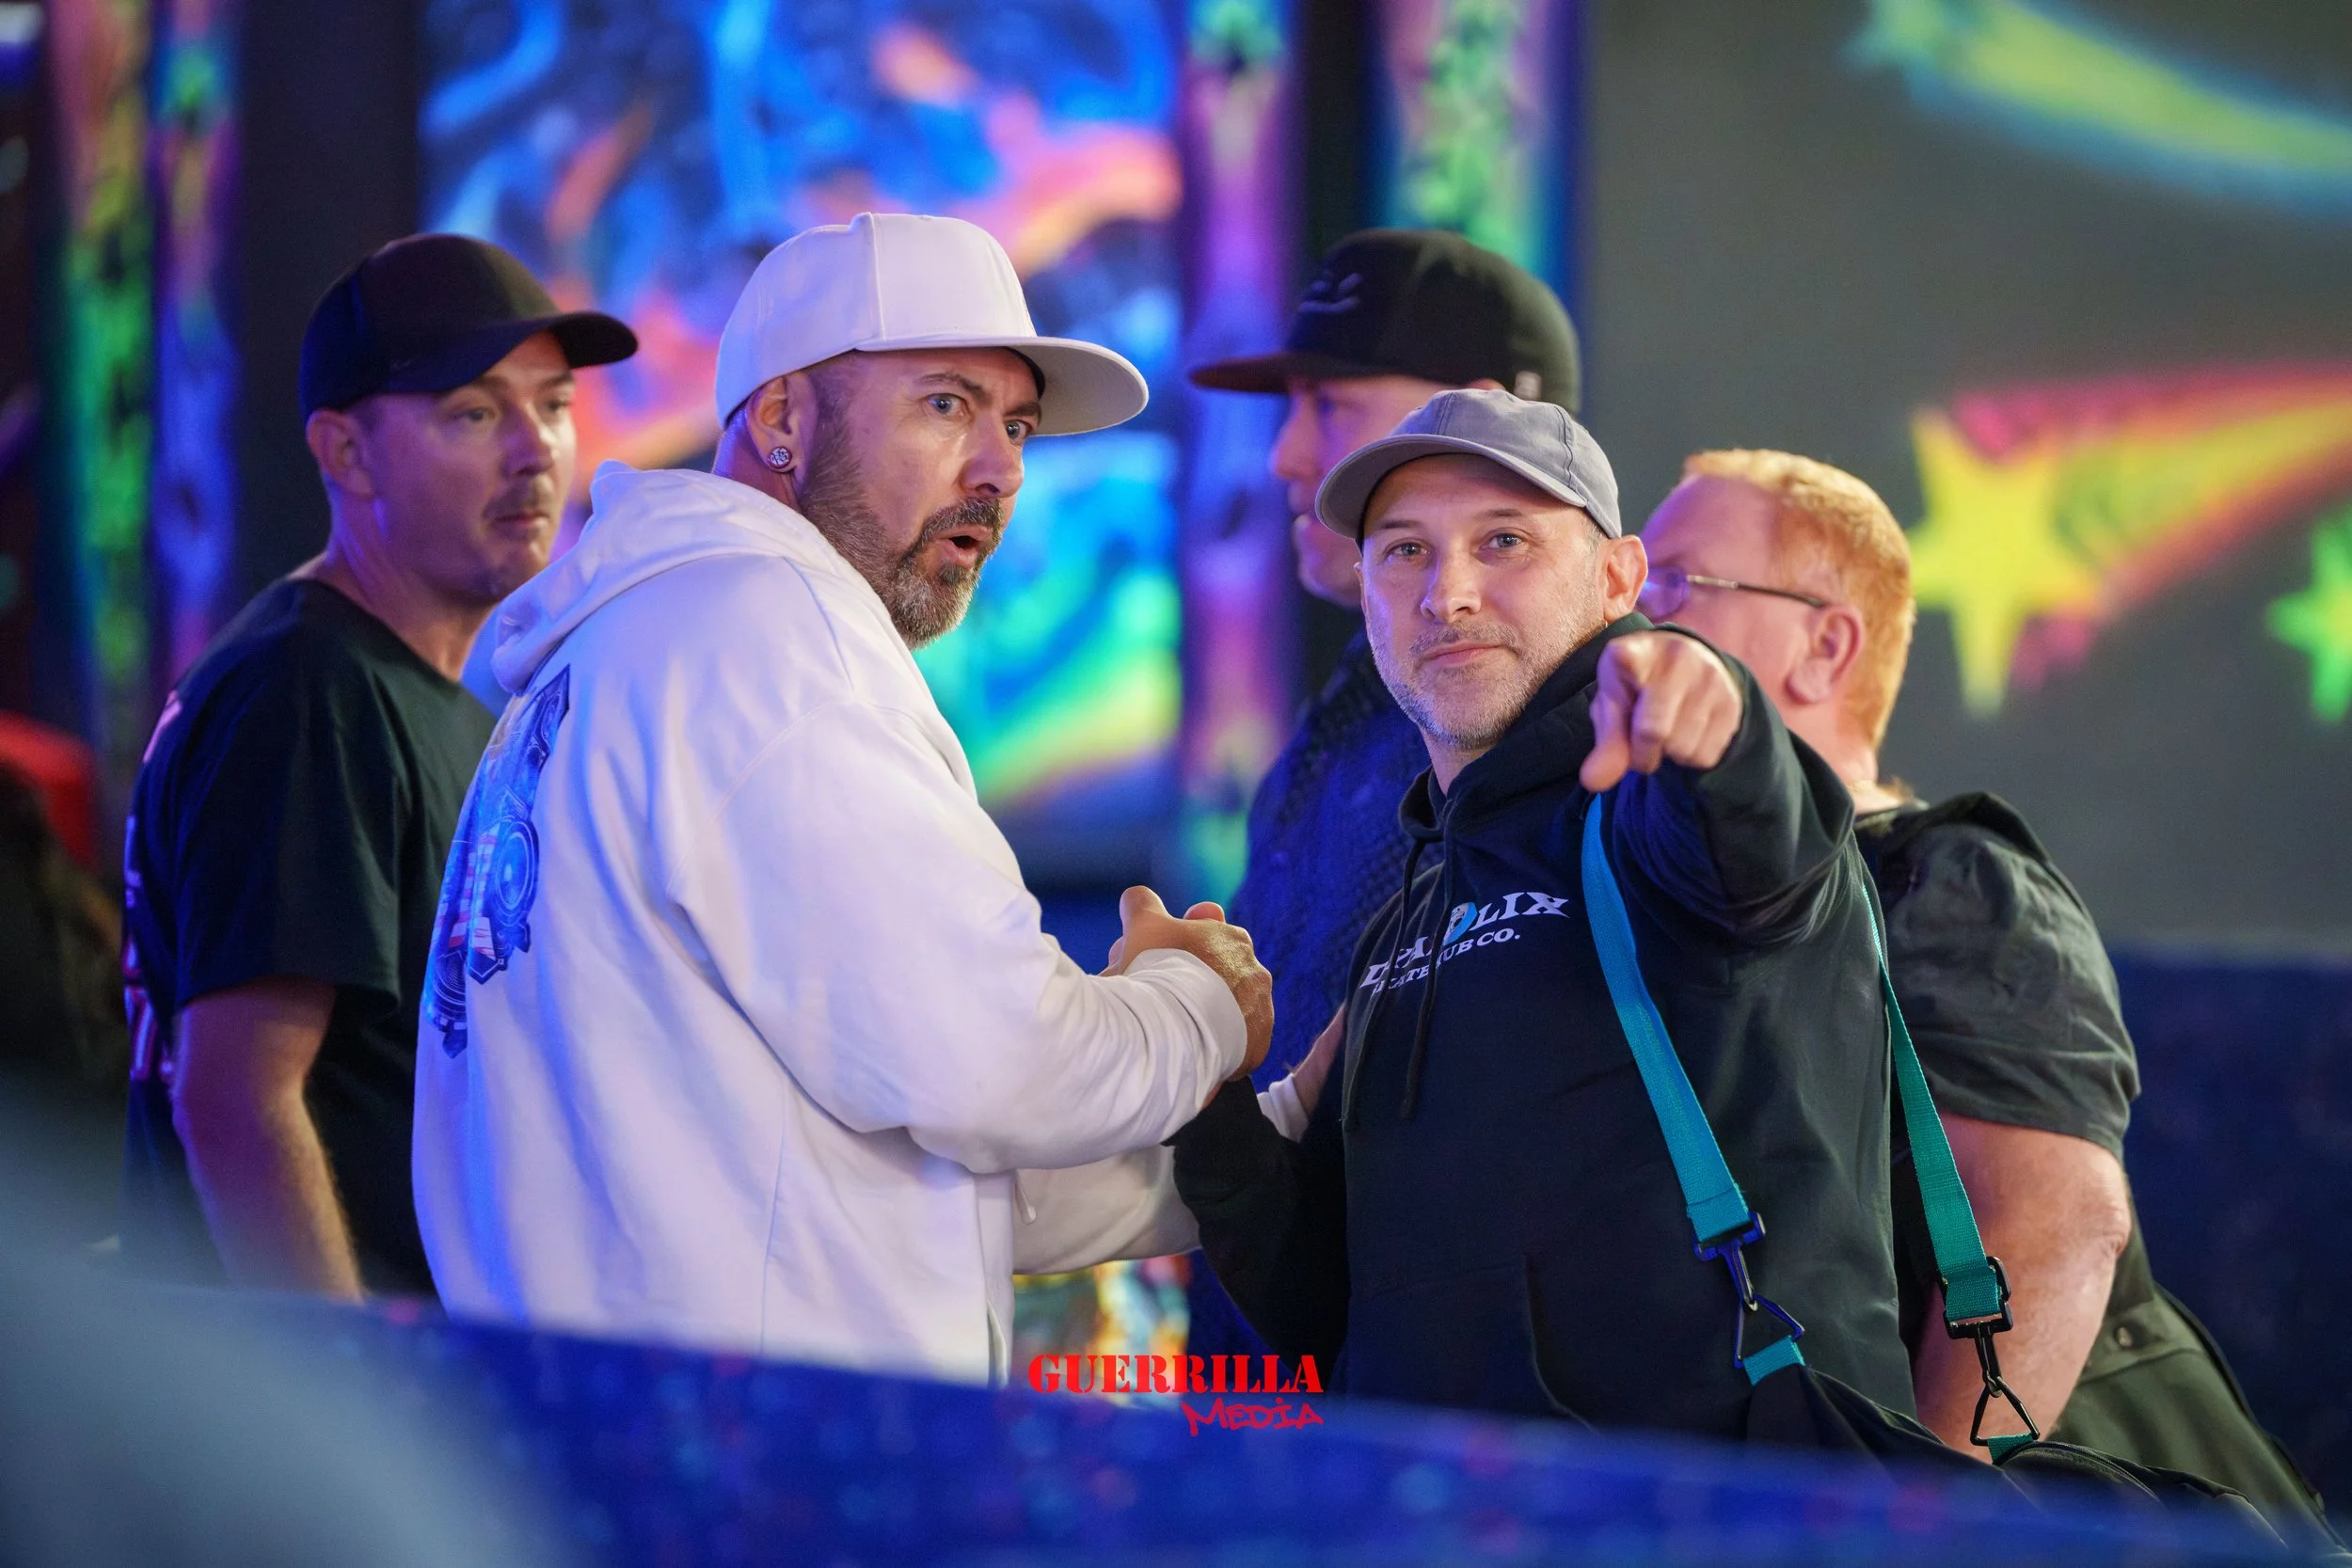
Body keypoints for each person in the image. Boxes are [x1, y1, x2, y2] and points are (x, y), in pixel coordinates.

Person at [412, 213, 1273, 1383]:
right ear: (780, 417)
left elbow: (900, 1157)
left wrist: (1271, 1141)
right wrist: (1198, 995)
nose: (1002, 467)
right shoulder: (770, 639)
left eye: (1014, 424)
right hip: (760, 1478)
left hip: (615, 1448)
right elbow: (1003, 1067)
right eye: (946, 405)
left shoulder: (625, 649)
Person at [1171, 390, 1916, 1436]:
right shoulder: (1411, 907)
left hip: (1708, 1518)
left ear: (1619, 578)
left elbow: (1756, 844)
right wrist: (1204, 1086)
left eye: (1504, 541)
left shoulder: (1656, 804)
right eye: (1401, 552)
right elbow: (1327, 1312)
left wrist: (1721, 710)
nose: (1448, 594)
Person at [1635, 449, 2337, 1537]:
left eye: (1681, 584)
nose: (1640, 620)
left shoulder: (1944, 878)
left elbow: (2053, 1221)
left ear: (1826, 646)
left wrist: (1920, 1521)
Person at [120, 233, 638, 1297]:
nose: (534, 452)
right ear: (345, 454)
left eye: (552, 404)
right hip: (299, 1412)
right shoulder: (311, 690)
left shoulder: (394, 689)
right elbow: (236, 1097)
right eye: (474, 412)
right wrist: (357, 1391)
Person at [1188, 230, 1582, 1090]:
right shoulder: (1362, 696)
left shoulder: (1583, 728)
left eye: (1332, 406)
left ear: (1479, 421)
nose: (1284, 454)